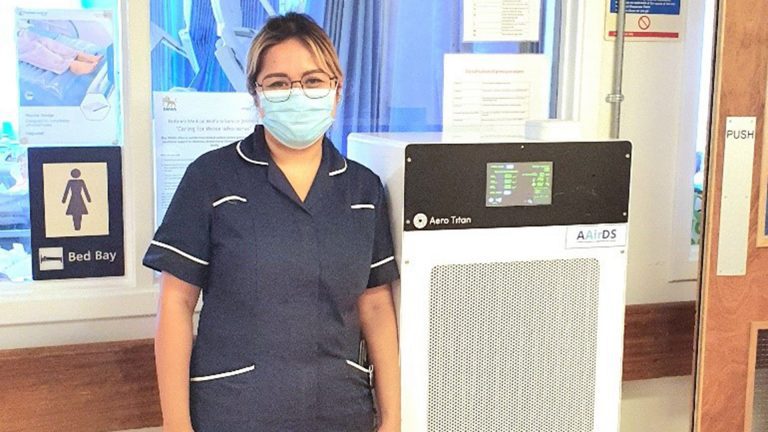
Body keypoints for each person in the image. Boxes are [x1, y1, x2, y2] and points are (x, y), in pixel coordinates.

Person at [143, 13, 401, 432]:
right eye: (279, 83)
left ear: (336, 90)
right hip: (235, 413)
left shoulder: (362, 189)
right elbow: (176, 304)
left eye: (313, 80)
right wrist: (176, 425)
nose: (297, 94)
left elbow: (375, 306)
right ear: (256, 95)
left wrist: (392, 419)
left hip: (340, 412)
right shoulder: (211, 179)